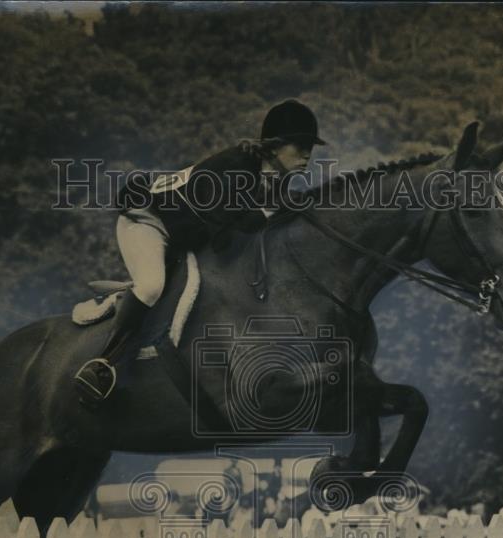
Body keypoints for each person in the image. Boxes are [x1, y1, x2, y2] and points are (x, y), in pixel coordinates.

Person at [74, 99, 326, 403]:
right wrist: (279, 210)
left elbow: (250, 232)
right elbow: (229, 234)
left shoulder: (275, 180)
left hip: (183, 235)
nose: (307, 153)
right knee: (152, 286)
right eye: (299, 144)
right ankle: (103, 364)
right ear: (273, 147)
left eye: (310, 145)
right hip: (146, 219)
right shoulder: (235, 166)